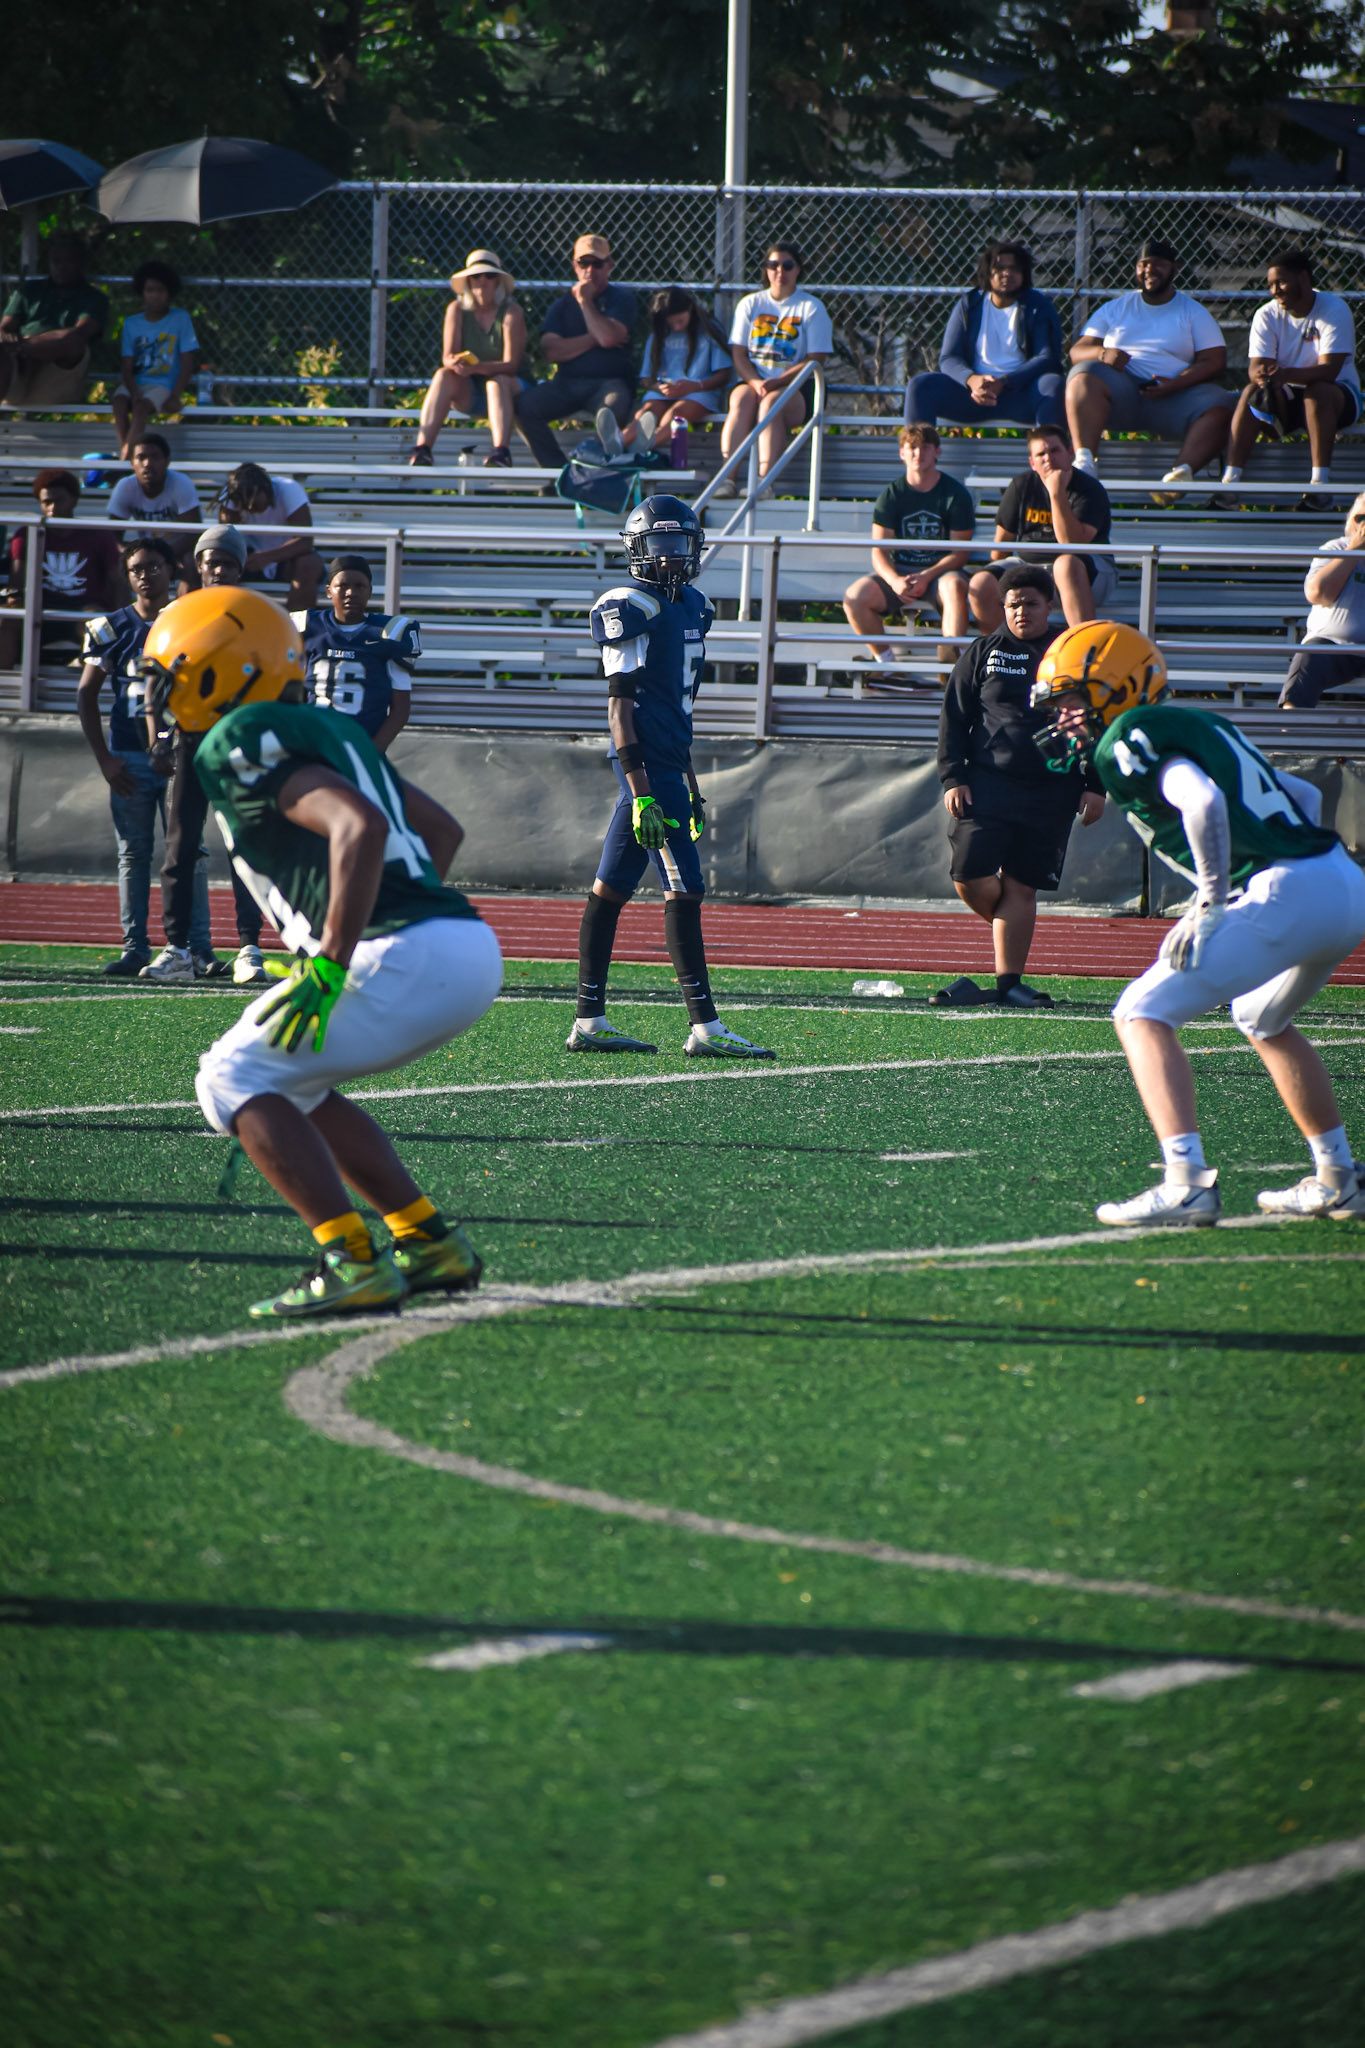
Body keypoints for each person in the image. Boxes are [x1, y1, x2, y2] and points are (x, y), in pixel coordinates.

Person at [139, 585, 503, 1320]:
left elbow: (358, 826)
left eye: (169, 676)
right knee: (293, 1084)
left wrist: (334, 955)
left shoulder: (239, 736)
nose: (159, 695)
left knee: (230, 1077)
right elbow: (441, 832)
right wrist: (404, 917)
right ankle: (427, 1240)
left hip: (395, 953)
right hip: (464, 946)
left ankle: (353, 1260)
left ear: (221, 670)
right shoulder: (331, 729)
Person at [1031, 620, 1365, 1225]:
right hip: (1341, 881)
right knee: (1262, 1017)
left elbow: (1203, 800)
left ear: (1116, 687)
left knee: (1140, 1012)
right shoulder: (1202, 722)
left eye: (1072, 700)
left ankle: (1185, 1183)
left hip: (1287, 888)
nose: (1064, 717)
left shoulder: (1128, 736)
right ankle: (1338, 1178)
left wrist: (1211, 899)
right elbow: (1305, 798)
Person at [569, 494, 774, 1060]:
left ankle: (588, 1020)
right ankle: (706, 1026)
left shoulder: (695, 607)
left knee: (611, 889)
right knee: (686, 889)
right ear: (637, 550)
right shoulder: (629, 605)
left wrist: (689, 780)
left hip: (668, 764)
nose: (670, 556)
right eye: (658, 545)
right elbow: (620, 708)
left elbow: (678, 706)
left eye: (678, 544)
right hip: (645, 769)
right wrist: (642, 793)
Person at [935, 564, 1105, 1009]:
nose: (1021, 611)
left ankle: (1009, 983)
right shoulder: (983, 651)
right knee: (969, 874)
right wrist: (954, 776)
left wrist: (1095, 785)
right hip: (987, 783)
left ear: (1050, 605)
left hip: (1053, 788)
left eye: (1031, 603)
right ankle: (1011, 931)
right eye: (1013, 604)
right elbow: (954, 717)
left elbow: (1092, 722)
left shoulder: (1072, 654)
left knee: (1023, 886)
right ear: (1002, 607)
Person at [76, 537, 214, 978]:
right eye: (137, 568)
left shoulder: (191, 623)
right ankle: (135, 947)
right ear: (126, 575)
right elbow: (86, 693)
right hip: (129, 756)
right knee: (134, 854)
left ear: (171, 570)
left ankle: (199, 948)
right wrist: (104, 759)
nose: (145, 575)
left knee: (189, 852)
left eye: (154, 566)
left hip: (180, 755)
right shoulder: (112, 627)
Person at [144, 523, 271, 986]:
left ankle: (249, 946)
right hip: (192, 739)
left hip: (240, 742)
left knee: (246, 847)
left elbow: (276, 680)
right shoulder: (179, 614)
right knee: (179, 848)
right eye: (211, 562)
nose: (218, 570)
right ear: (198, 566)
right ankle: (178, 949)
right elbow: (155, 681)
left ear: (240, 568)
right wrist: (157, 738)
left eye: (227, 562)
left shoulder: (258, 616)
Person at [1065, 240, 1233, 504]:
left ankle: (1179, 475)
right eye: (1143, 265)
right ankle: (1085, 463)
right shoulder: (1116, 307)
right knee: (1083, 375)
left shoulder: (1193, 312)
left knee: (1223, 404)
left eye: (1158, 265)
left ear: (1174, 269)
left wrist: (1176, 384)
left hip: (1175, 398)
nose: (1149, 271)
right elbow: (1078, 351)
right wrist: (1103, 354)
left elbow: (1215, 361)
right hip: (1122, 395)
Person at [1214, 249, 1361, 514]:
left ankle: (1320, 489)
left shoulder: (1334, 309)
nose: (1274, 291)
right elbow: (1256, 367)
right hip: (1287, 395)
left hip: (1337, 397)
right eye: (1270, 285)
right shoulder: (1266, 315)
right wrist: (1263, 377)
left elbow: (1329, 370)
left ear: (1303, 279)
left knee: (1317, 392)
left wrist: (1286, 375)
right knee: (1251, 391)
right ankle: (1229, 486)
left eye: (1280, 283)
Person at [841, 424, 974, 677]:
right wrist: (894, 580)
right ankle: (887, 665)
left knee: (954, 586)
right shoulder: (891, 495)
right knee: (854, 598)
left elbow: (960, 553)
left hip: (940, 572)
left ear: (937, 451)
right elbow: (879, 551)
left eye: (925, 447)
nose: (918, 453)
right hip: (900, 571)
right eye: (912, 447)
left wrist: (926, 576)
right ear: (902, 453)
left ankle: (950, 664)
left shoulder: (955, 494)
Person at [969, 423, 1114, 633]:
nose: (1048, 458)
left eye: (1055, 450)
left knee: (1065, 564)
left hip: (1089, 571)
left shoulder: (1090, 489)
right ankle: (1001, 648)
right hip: (1029, 566)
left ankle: (1083, 646)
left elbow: (1072, 544)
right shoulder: (1021, 485)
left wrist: (1056, 493)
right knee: (981, 583)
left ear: (1070, 453)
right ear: (1032, 462)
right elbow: (999, 548)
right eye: (1041, 454)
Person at [904, 241, 1065, 431]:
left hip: (1020, 394)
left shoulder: (1038, 306)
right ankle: (920, 448)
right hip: (973, 395)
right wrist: (972, 380)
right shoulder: (969, 305)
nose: (1007, 273)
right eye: (999, 268)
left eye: (1014, 268)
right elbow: (949, 358)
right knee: (920, 385)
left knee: (1053, 385)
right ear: (987, 273)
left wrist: (1004, 382)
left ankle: (1049, 449)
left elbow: (1047, 358)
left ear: (1024, 274)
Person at [717, 243, 832, 497]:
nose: (780, 271)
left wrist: (778, 382)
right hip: (756, 383)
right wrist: (756, 382)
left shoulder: (811, 307)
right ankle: (727, 479)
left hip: (797, 387)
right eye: (773, 265)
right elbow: (739, 353)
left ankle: (763, 482)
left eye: (787, 265)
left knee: (771, 403)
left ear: (798, 269)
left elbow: (816, 359)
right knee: (740, 397)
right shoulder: (750, 304)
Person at [515, 235, 637, 474]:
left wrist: (585, 302)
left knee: (612, 409)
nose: (590, 270)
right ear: (575, 266)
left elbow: (608, 338)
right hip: (567, 383)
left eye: (597, 264)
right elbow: (551, 351)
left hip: (609, 383)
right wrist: (596, 338)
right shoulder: (560, 306)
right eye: (584, 263)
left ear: (609, 265)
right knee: (525, 406)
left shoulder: (621, 298)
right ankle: (559, 474)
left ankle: (593, 472)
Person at [408, 250, 526, 468]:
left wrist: (475, 368)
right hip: (471, 393)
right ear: (468, 281)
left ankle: (501, 452)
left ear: (498, 281)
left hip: (512, 390)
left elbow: (511, 365)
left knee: (496, 383)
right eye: (476, 276)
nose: (482, 281)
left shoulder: (512, 312)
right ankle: (422, 449)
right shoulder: (456, 310)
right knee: (443, 375)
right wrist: (456, 363)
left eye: (489, 276)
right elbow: (447, 357)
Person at [292, 555, 417, 751]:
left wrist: (373, 751)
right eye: (342, 586)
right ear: (329, 591)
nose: (351, 593)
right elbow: (289, 692)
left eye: (359, 586)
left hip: (362, 741)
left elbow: (400, 710)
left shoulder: (389, 633)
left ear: (370, 591)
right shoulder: (306, 627)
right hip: (314, 740)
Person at [1, 469, 123, 670]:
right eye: (46, 502)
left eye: (59, 501)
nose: (53, 508)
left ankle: (91, 679)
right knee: (7, 617)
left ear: (74, 500)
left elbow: (117, 581)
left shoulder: (99, 535)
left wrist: (122, 620)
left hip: (83, 609)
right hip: (39, 609)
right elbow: (17, 583)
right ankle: (6, 682)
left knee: (95, 619)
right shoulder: (26, 534)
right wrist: (14, 600)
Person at [602, 288, 731, 454]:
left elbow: (724, 375)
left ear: (689, 309)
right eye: (671, 324)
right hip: (663, 393)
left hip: (699, 393)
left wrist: (695, 386)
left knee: (675, 414)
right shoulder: (659, 334)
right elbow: (646, 379)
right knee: (645, 413)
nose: (676, 327)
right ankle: (618, 444)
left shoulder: (708, 331)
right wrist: (658, 388)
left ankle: (641, 447)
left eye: (680, 321)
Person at [0, 233, 108, 409]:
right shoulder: (29, 290)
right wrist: (9, 340)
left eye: (69, 261)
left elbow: (80, 333)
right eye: (56, 261)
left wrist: (26, 345)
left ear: (81, 263)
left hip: (59, 370)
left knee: (73, 340)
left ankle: (23, 349)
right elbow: (4, 327)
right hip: (18, 365)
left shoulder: (94, 298)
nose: (61, 267)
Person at [1279, 493, 1365, 709]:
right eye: (1361, 518)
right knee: (1309, 657)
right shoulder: (1335, 549)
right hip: (1333, 644)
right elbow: (1318, 593)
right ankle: (1290, 722)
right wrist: (1355, 550)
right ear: (1350, 521)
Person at [111, 262, 200, 461]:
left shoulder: (180, 318)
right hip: (136, 383)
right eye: (150, 290)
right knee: (119, 403)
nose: (155, 296)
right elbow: (127, 367)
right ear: (142, 292)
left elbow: (187, 363)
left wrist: (175, 396)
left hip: (163, 385)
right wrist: (133, 391)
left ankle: (125, 461)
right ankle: (129, 456)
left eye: (160, 290)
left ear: (169, 293)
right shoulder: (131, 323)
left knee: (141, 408)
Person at [216, 462, 324, 609]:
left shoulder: (288, 488)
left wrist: (266, 557)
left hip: (286, 558)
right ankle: (227, 617)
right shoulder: (232, 493)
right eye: (245, 501)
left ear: (266, 489)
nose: (250, 506)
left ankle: (296, 623)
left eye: (254, 498)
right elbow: (225, 539)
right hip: (247, 558)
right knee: (222, 564)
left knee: (308, 563)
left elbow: (305, 541)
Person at [106, 433, 203, 582]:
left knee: (191, 562)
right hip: (144, 553)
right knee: (115, 563)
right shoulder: (125, 486)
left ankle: (188, 598)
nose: (147, 463)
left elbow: (192, 533)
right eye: (141, 457)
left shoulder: (181, 483)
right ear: (132, 463)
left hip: (177, 553)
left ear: (167, 461)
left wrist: (163, 556)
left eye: (155, 457)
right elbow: (112, 535)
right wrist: (129, 554)